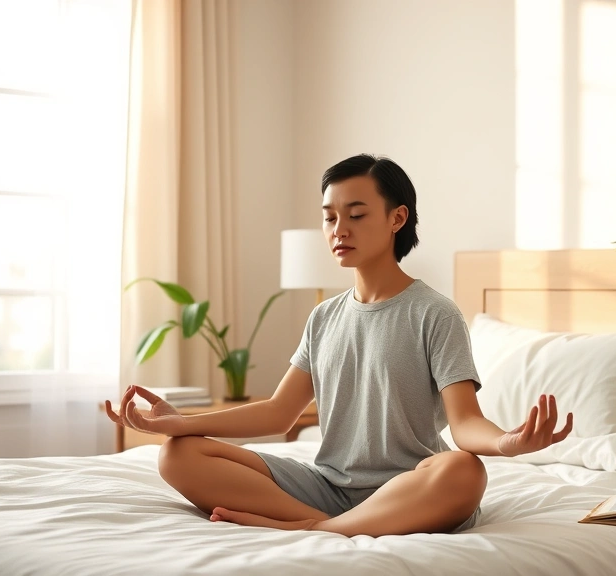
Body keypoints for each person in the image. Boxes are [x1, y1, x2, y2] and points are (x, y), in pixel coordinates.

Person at [105, 154, 574, 537]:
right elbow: (276, 413)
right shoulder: (324, 316)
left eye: (355, 215)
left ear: (397, 218)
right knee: (178, 455)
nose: (338, 230)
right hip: (324, 483)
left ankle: (314, 528)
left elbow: (465, 423)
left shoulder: (435, 313)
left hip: (409, 488)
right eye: (329, 218)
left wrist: (507, 442)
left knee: (464, 470)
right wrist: (179, 423)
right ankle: (327, 524)